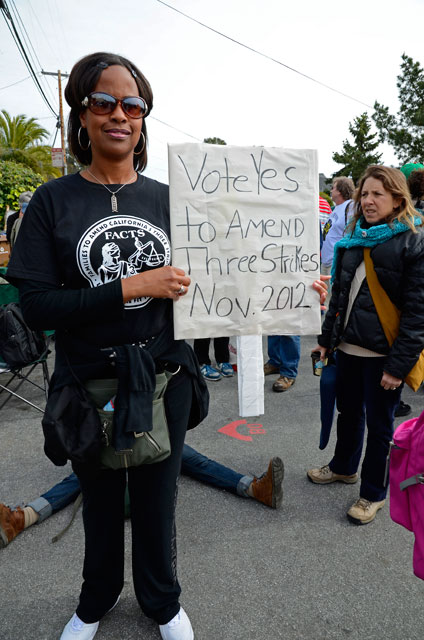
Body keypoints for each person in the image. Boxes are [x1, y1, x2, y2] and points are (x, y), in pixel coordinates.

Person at [6, 52, 209, 640]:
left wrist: (288, 287)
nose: (120, 114)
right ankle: (94, 602)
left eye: (133, 104)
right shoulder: (51, 202)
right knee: (98, 502)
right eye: (104, 102)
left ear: (144, 118)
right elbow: (39, 305)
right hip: (86, 385)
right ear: (82, 114)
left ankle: (162, 603)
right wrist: (131, 285)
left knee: (157, 501)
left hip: (164, 378)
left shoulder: (174, 201)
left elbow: (220, 279)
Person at [307, 165, 424, 525]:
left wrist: (397, 366)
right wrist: (326, 342)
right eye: (365, 194)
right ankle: (344, 468)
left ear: (397, 199)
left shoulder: (413, 243)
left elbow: (418, 315)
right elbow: (340, 296)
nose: (369, 201)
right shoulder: (354, 237)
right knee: (349, 414)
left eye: (378, 194)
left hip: (383, 357)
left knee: (380, 426)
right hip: (347, 350)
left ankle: (373, 493)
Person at [0, 450, 284, 548]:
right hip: (138, 440)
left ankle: (24, 518)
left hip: (135, 442)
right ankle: (253, 489)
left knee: (82, 471)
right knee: (194, 459)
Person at [321, 177, 355, 299]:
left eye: (333, 187)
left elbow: (351, 232)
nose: (331, 190)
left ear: (340, 190)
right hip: (326, 262)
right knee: (326, 299)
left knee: (334, 300)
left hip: (336, 263)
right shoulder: (336, 209)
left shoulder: (350, 206)